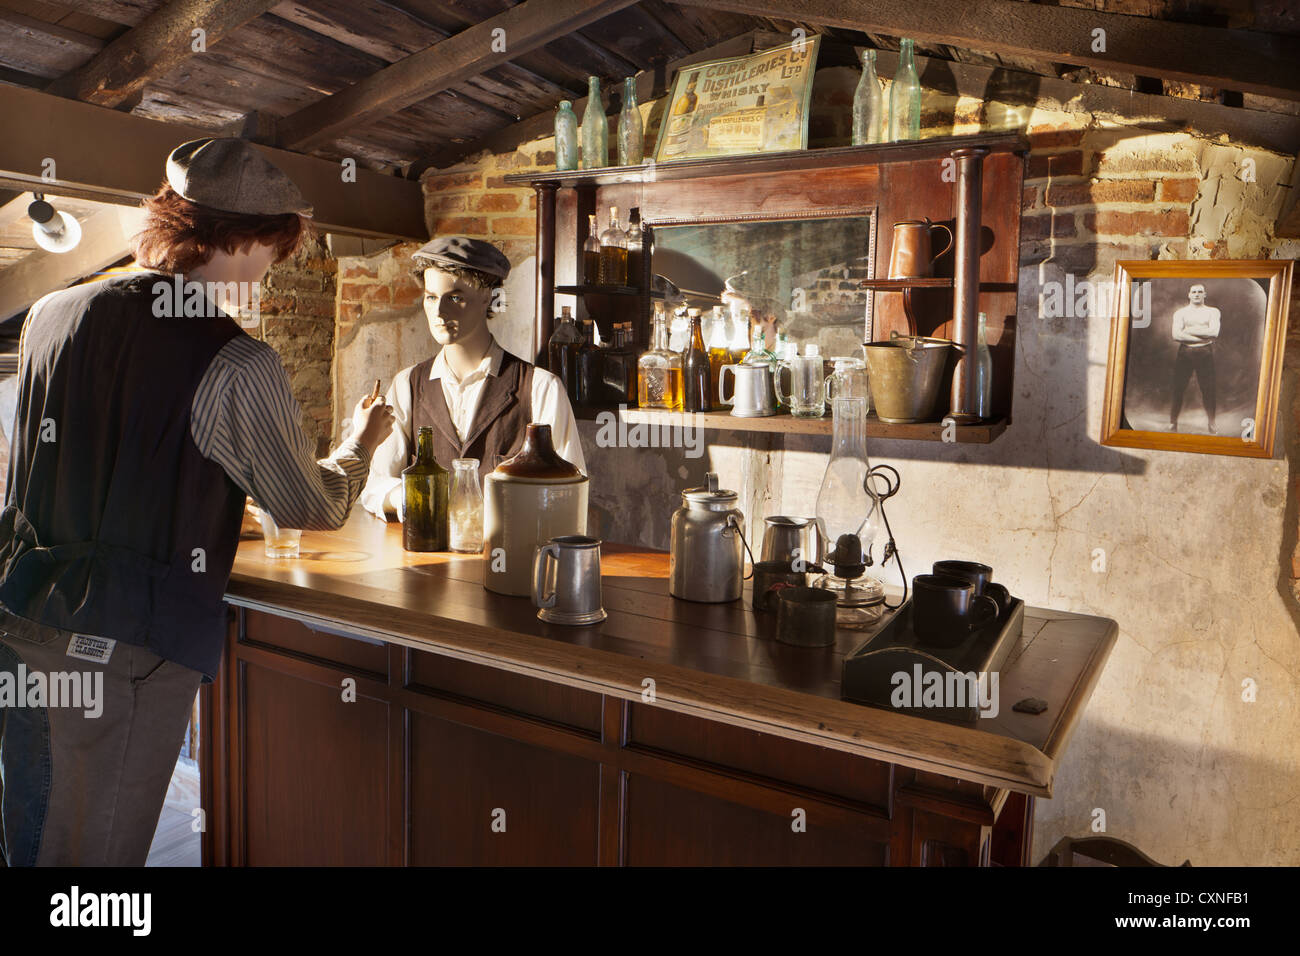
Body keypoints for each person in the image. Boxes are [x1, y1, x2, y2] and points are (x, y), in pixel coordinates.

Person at [0, 137, 395, 866]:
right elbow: (307, 505)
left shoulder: (50, 312)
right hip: (121, 649)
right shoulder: (236, 358)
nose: (272, 270)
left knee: (36, 841)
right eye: (275, 251)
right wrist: (359, 445)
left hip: (23, 615)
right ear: (248, 241)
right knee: (94, 865)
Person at [361, 236, 584, 519]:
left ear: (487, 299)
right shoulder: (407, 385)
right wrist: (413, 495)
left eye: (455, 297)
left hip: (510, 558)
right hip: (427, 559)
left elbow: (569, 497)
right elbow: (376, 487)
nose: (439, 311)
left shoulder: (541, 389)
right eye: (431, 297)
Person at [1169, 283, 1220, 434]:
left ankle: (1212, 423)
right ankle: (1173, 422)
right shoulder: (1180, 313)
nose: (1197, 294)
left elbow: (1214, 333)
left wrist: (1189, 330)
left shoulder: (1213, 312)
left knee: (1208, 390)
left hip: (1205, 353)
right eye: (1194, 292)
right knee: (1178, 389)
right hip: (1185, 353)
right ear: (1189, 295)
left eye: (1200, 292)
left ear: (1205, 295)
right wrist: (1203, 332)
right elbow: (1176, 335)